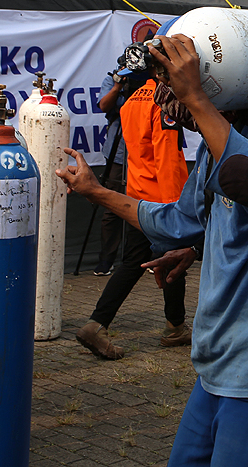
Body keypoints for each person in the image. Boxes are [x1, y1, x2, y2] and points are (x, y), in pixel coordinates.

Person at [57, 32, 248, 466]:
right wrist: (97, 192)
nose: (167, 98)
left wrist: (194, 97)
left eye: (173, 82)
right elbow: (180, 219)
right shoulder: (217, 144)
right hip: (220, 364)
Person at [74, 70, 191, 360]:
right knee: (169, 261)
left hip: (137, 193)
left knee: (137, 262)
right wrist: (175, 207)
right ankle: (170, 326)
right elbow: (166, 156)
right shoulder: (162, 101)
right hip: (161, 197)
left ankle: (174, 325)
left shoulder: (131, 101)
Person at [92, 56, 131, 276]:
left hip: (144, 153)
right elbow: (104, 105)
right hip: (117, 153)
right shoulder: (114, 78)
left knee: (146, 201)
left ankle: (146, 255)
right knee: (112, 207)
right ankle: (106, 260)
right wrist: (119, 85)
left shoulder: (150, 82)